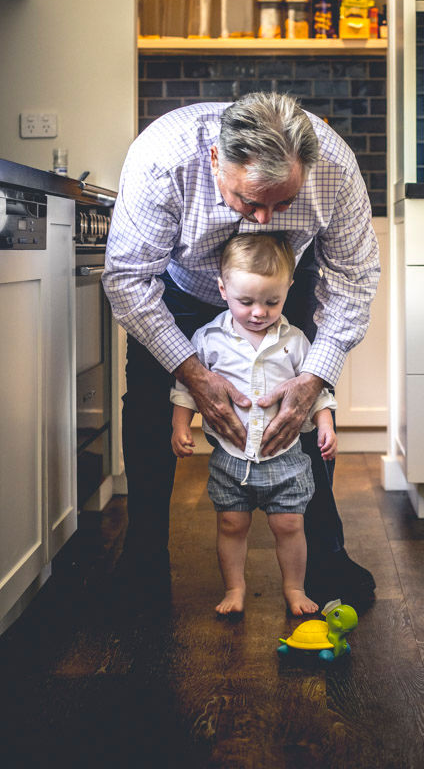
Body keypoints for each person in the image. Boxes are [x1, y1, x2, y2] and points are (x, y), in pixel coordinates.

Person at [103, 92, 380, 610]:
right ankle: (142, 558)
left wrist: (315, 377)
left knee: (297, 409)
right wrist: (193, 374)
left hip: (280, 287)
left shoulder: (335, 168)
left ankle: (326, 556)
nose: (262, 220)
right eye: (249, 201)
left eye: (283, 204)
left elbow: (354, 282)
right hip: (178, 289)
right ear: (215, 161)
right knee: (147, 406)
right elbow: (128, 279)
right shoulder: (165, 157)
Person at [171, 233, 337, 617]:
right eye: (246, 301)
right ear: (222, 289)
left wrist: (325, 423)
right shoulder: (209, 339)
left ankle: (294, 588)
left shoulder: (294, 341)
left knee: (290, 525)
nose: (259, 312)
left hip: (286, 459)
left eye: (271, 301)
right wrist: (181, 425)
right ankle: (235, 587)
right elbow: (186, 387)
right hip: (231, 458)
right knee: (231, 523)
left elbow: (317, 391)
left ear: (288, 290)